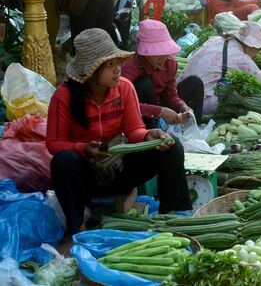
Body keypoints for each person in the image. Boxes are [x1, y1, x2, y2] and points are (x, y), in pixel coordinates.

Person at [46, 28, 192, 237]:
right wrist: (82, 148)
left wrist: (149, 136)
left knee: (171, 145)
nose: (118, 70)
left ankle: (171, 218)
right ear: (91, 70)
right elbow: (53, 142)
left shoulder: (124, 88)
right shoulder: (64, 96)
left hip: (120, 168)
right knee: (62, 161)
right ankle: (76, 229)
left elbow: (134, 130)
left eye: (118, 63)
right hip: (86, 176)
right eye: (109, 65)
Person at [177, 21, 261, 115]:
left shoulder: (215, 41)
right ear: (251, 45)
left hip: (180, 95)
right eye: (258, 50)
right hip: (198, 105)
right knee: (242, 97)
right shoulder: (241, 59)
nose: (257, 55)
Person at [122, 19, 204, 126]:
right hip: (139, 111)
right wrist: (159, 111)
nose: (162, 57)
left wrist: (182, 106)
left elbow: (171, 95)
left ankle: (192, 126)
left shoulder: (170, 63)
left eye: (164, 52)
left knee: (195, 82)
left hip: (161, 103)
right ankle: (148, 128)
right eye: (156, 52)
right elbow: (122, 103)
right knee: (143, 84)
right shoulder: (131, 66)